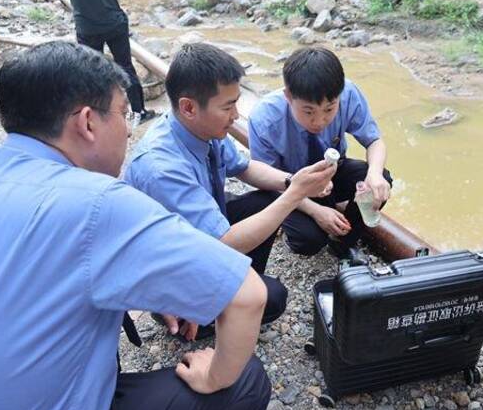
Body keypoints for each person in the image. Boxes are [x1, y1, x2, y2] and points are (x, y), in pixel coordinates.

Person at [0, 41, 272, 410]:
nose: (128, 131)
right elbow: (247, 295)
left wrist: (148, 289)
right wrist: (214, 377)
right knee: (246, 379)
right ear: (87, 122)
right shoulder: (100, 201)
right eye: (125, 114)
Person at [124, 43, 336, 341]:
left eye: (236, 103)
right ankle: (194, 314)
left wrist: (292, 181)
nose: (236, 115)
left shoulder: (200, 129)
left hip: (196, 238)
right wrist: (295, 194)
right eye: (227, 106)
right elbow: (223, 242)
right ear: (188, 107)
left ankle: (237, 281)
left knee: (268, 198)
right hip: (170, 271)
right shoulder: (162, 167)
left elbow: (245, 167)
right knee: (271, 298)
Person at [248, 47, 392, 266]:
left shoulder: (349, 93)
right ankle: (293, 231)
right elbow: (267, 181)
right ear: (288, 96)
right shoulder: (264, 119)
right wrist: (316, 211)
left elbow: (374, 140)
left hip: (331, 172)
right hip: (288, 183)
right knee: (309, 240)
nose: (319, 121)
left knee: (380, 178)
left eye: (329, 109)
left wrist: (375, 175)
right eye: (308, 112)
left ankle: (344, 242)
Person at [56, 0, 156, 123]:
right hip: (113, 23)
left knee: (93, 73)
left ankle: (101, 116)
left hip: (87, 27)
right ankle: (138, 112)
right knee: (125, 66)